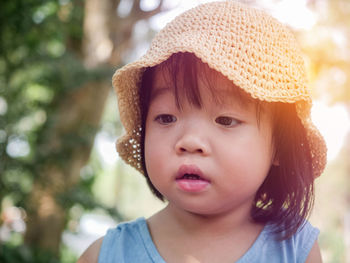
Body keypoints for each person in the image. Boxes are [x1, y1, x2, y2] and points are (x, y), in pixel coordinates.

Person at [78, 1, 327, 262]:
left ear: (279, 144)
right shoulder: (104, 255)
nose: (189, 141)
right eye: (166, 117)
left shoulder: (295, 250)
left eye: (226, 120)